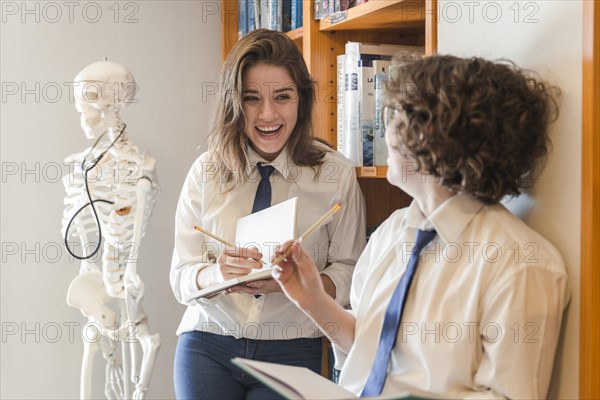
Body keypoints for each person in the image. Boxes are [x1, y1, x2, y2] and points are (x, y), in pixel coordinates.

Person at [271, 54, 570, 399]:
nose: (386, 129)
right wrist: (313, 300)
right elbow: (369, 353)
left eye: (398, 116)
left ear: (435, 138)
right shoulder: (391, 232)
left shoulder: (521, 264)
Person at [170, 29, 366, 399]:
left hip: (292, 347)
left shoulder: (335, 174)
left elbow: (350, 271)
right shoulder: (206, 171)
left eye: (283, 97)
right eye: (251, 98)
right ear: (233, 103)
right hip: (208, 342)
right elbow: (180, 277)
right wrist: (217, 274)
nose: (268, 114)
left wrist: (298, 285)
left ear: (301, 100)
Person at [62, 60, 160, 399]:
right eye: (81, 101)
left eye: (92, 98)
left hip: (123, 277)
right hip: (92, 276)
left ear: (116, 103)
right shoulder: (80, 166)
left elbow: (138, 215)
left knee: (137, 342)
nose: (84, 112)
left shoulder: (140, 169)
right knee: (91, 344)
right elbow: (81, 232)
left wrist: (130, 267)